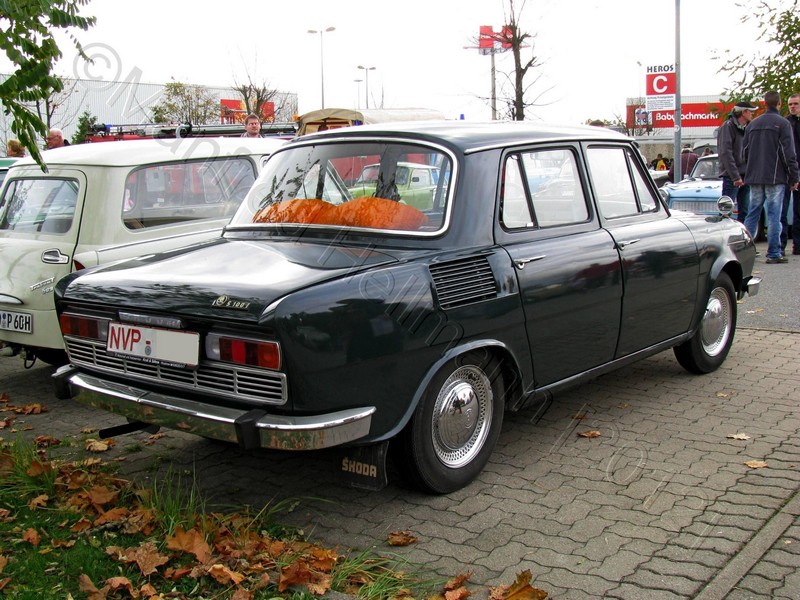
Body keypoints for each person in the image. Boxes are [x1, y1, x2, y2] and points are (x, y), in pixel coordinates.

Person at [743, 90, 800, 264]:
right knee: (775, 215)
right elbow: (788, 153)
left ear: (764, 103)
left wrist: (750, 170)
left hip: (755, 176)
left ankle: (745, 250)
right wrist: (794, 176)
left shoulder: (753, 124)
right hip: (775, 176)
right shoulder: (783, 124)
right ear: (780, 103)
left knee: (752, 213)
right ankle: (774, 252)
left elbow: (745, 152)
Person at [717, 101, 758, 224]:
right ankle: (723, 232)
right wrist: (735, 176)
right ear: (743, 112)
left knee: (745, 211)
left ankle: (742, 234)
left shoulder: (748, 128)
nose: (752, 114)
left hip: (746, 176)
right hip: (732, 177)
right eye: (751, 112)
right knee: (726, 211)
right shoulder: (728, 126)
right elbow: (726, 153)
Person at [784, 93, 800, 255]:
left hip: (797, 168)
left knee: (798, 210)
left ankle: (798, 245)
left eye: (796, 104)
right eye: (790, 104)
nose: (793, 106)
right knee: (782, 209)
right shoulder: (785, 123)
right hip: (786, 171)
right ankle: (780, 245)